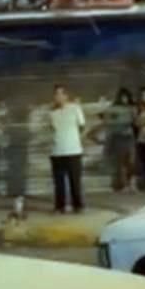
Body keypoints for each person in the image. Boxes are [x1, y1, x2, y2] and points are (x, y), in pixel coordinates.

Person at [49, 85, 86, 213]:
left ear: (66, 95)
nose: (58, 97)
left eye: (61, 94)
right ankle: (60, 206)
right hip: (57, 151)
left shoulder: (75, 108)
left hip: (73, 150)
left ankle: (78, 205)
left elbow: (82, 126)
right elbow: (51, 129)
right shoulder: (52, 112)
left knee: (75, 180)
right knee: (58, 182)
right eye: (56, 94)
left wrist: (75, 138)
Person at [96, 88, 136, 192]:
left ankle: (130, 183)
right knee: (122, 162)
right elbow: (105, 117)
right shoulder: (114, 109)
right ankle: (124, 185)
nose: (125, 99)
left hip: (129, 137)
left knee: (131, 162)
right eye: (123, 97)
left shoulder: (131, 108)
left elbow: (135, 121)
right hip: (118, 137)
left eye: (126, 97)